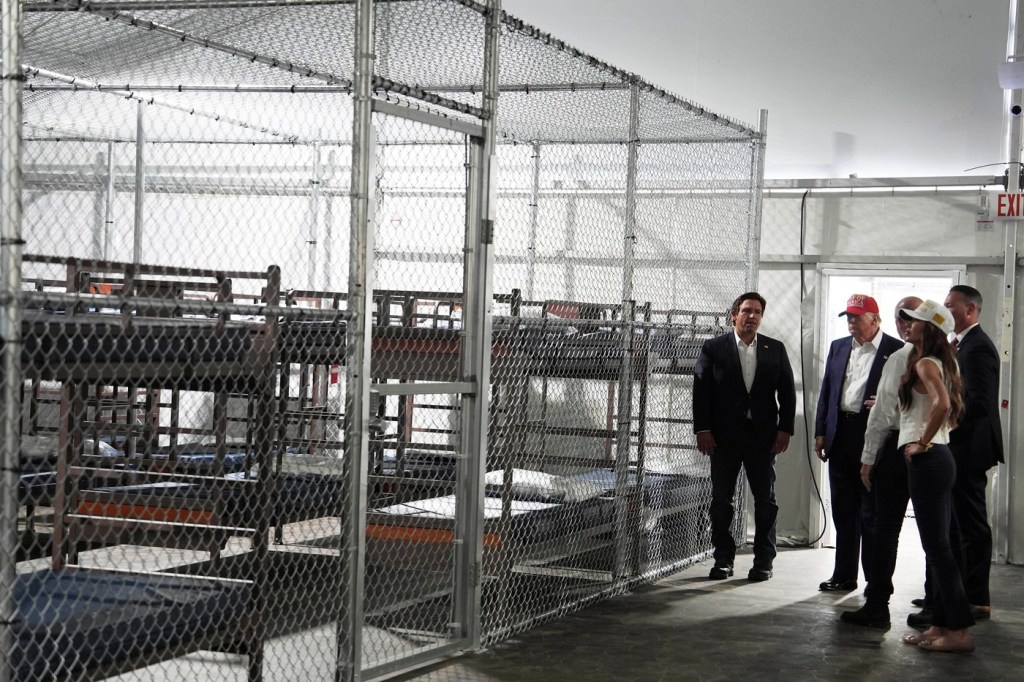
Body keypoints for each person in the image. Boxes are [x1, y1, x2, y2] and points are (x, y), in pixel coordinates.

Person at [693, 292, 796, 582]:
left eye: (757, 312)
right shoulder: (714, 348)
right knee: (721, 501)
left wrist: (785, 429)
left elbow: (787, 392)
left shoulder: (774, 349)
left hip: (763, 438)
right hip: (723, 438)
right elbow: (701, 391)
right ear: (734, 315)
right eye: (747, 311)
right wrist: (702, 429)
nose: (752, 316)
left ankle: (763, 561)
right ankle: (723, 559)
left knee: (766, 501)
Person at [896, 299, 974, 653]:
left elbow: (943, 405)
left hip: (929, 460)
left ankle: (958, 632)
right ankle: (941, 624)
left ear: (929, 328)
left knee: (938, 549)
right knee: (939, 547)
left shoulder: (926, 362)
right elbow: (945, 408)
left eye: (915, 321)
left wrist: (922, 442)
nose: (907, 324)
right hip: (939, 458)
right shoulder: (943, 361)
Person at [839, 295, 920, 628]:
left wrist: (868, 459)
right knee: (937, 537)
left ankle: (877, 604)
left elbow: (882, 415)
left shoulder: (900, 356)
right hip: (931, 451)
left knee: (885, 530)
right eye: (901, 317)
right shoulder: (944, 356)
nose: (904, 324)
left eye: (908, 318)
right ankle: (942, 609)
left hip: (898, 449)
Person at [814, 294, 904, 592]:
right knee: (843, 509)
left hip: (874, 436)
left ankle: (873, 580)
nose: (851, 322)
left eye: (857, 316)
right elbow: (827, 391)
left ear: (875, 319)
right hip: (840, 433)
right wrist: (821, 431)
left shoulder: (896, 350)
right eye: (848, 317)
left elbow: (910, 394)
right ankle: (843, 575)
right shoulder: (839, 346)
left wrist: (890, 403)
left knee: (871, 512)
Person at [944, 285, 1004, 617]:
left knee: (971, 525)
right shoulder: (960, 344)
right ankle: (953, 594)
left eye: (951, 306)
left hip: (970, 448)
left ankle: (977, 598)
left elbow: (979, 402)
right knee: (954, 525)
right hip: (958, 447)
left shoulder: (978, 347)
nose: (945, 310)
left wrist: (943, 419)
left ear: (970, 310)